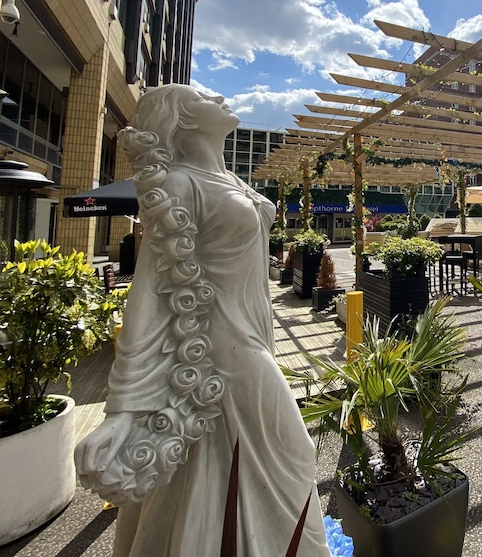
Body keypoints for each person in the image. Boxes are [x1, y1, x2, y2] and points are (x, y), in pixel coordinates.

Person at [76, 85, 331, 556]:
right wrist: (124, 406)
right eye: (202, 98)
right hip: (221, 348)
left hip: (252, 333)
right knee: (296, 452)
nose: (219, 98)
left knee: (210, 463)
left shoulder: (231, 180)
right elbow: (149, 290)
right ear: (184, 121)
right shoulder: (177, 184)